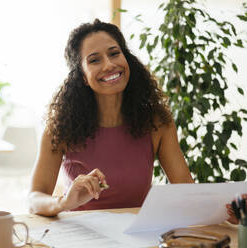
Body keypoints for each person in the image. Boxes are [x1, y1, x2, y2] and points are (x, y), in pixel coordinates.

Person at [27, 19, 238, 223]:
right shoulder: (60, 127)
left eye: (114, 53)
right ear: (82, 76)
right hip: (80, 235)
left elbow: (187, 192)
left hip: (137, 236)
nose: (109, 65)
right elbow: (35, 197)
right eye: (94, 60)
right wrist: (64, 202)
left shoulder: (157, 122)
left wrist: (229, 206)